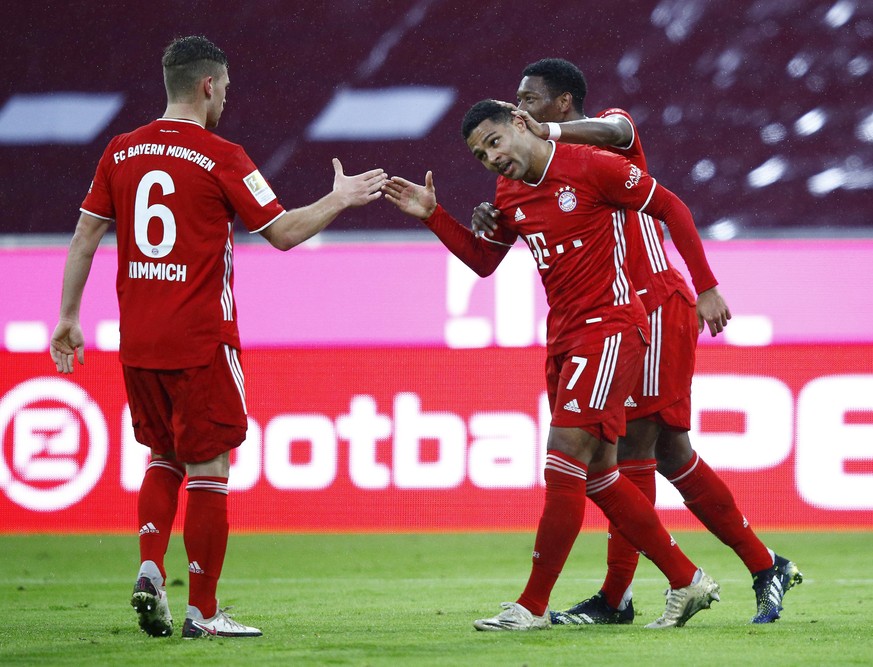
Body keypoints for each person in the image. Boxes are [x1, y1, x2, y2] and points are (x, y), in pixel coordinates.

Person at [49, 35, 386, 639]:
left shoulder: (120, 152)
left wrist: (68, 316)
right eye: (225, 88)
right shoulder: (223, 155)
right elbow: (281, 232)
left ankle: (151, 567)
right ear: (208, 85)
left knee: (162, 457)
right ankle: (202, 612)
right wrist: (338, 199)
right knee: (210, 465)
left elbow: (83, 237)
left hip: (139, 343)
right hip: (202, 340)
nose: (227, 98)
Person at [471, 58, 802, 625]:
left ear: (563, 103)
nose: (519, 109)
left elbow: (622, 136)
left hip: (650, 306)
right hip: (624, 314)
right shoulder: (539, 172)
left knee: (632, 453)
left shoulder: (608, 131)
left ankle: (621, 595)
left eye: (528, 100)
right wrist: (495, 219)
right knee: (658, 453)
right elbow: (500, 242)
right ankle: (755, 563)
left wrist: (706, 286)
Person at [384, 99, 722, 631]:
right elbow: (483, 259)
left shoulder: (591, 163)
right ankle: (686, 579)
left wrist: (705, 286)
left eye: (494, 142)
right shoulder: (509, 192)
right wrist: (432, 215)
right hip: (564, 337)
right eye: (480, 155)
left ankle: (533, 606)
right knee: (597, 475)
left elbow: (672, 207)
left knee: (563, 457)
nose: (491, 158)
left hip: (611, 327)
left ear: (520, 124)